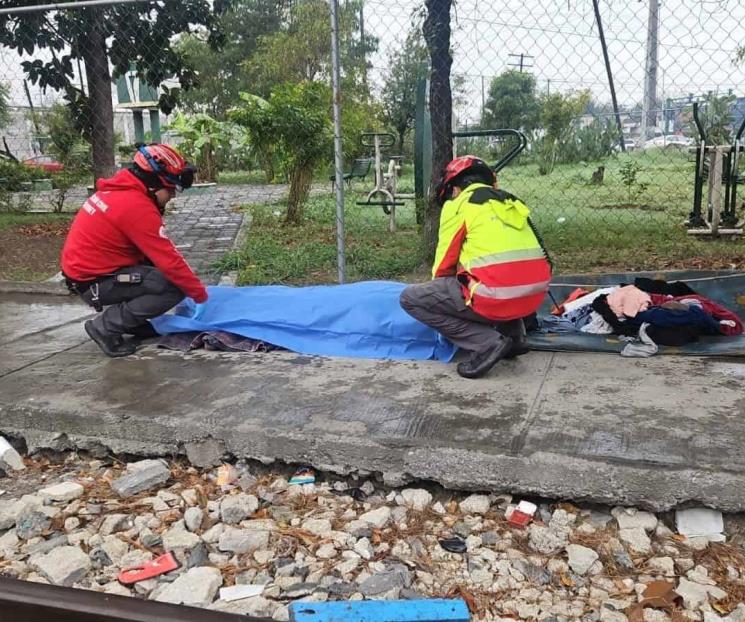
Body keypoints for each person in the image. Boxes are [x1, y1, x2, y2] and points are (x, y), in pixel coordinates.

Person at [400, 155, 551, 379]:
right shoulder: (511, 201)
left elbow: (443, 268)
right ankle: (516, 337)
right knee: (499, 274)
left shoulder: (459, 205)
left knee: (410, 299)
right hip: (534, 298)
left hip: (497, 297)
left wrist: (441, 296)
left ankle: (486, 344)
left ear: (454, 188)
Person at [61, 143, 208, 358]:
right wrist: (201, 296)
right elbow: (169, 259)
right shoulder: (135, 206)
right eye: (170, 190)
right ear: (154, 183)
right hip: (94, 280)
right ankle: (106, 326)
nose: (172, 197)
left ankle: (130, 322)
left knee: (153, 270)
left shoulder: (119, 189)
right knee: (173, 286)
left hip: (89, 272)